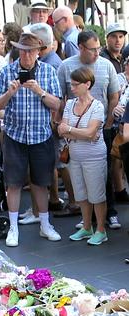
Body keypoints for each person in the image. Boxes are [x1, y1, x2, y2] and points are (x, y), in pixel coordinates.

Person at [0, 31, 63, 247]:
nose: (26, 56)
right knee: (13, 183)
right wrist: (9, 94)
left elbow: (57, 104)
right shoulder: (7, 72)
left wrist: (40, 91)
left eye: (30, 52)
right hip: (15, 135)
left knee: (41, 183)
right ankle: (13, 228)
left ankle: (45, 224)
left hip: (40, 135)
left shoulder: (48, 72)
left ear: (38, 53)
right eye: (23, 51)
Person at [58, 30, 120, 229]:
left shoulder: (106, 65)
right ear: (81, 47)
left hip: (102, 128)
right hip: (75, 131)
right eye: (93, 49)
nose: (97, 53)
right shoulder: (66, 67)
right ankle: (88, 221)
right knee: (80, 178)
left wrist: (109, 121)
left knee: (104, 174)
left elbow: (114, 95)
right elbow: (61, 99)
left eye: (98, 48)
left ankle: (109, 214)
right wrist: (62, 124)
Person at [57, 67, 107, 244]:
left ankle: (101, 229)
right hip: (75, 157)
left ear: (87, 84)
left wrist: (70, 130)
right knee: (81, 194)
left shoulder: (97, 106)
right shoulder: (70, 104)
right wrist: (78, 132)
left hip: (94, 157)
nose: (72, 88)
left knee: (97, 195)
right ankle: (87, 227)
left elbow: (90, 133)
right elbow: (62, 130)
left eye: (75, 84)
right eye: (71, 84)